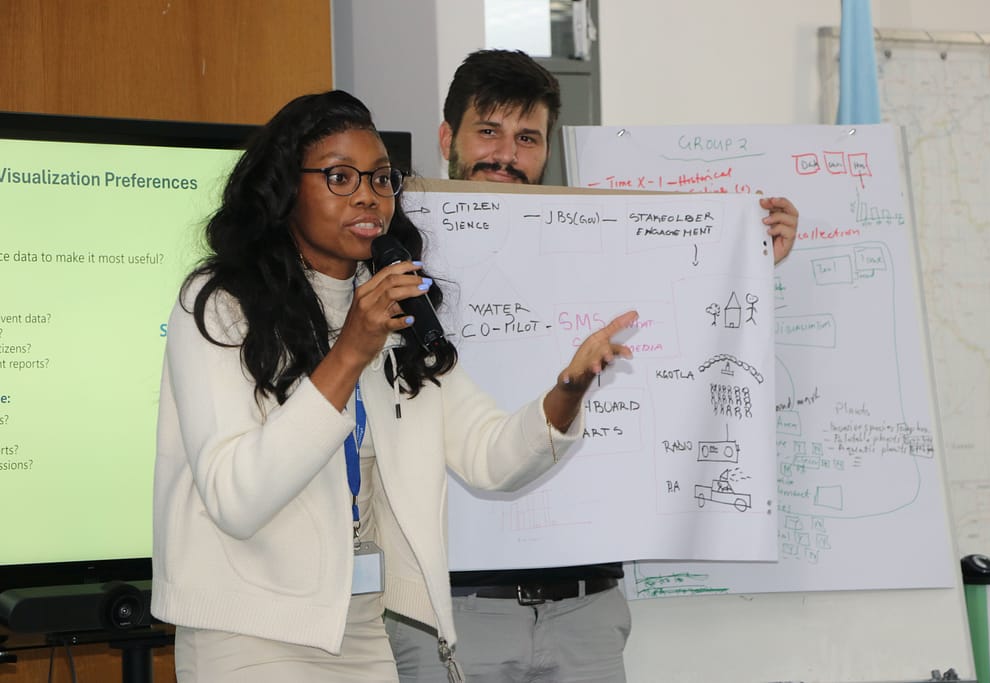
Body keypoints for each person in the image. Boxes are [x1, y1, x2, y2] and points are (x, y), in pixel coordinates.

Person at [150, 89, 638, 683]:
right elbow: (236, 496)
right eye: (340, 177)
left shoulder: (394, 306)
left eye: (382, 179)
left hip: (359, 625)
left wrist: (568, 388)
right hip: (249, 630)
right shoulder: (220, 304)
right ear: (284, 188)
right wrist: (351, 349)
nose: (367, 196)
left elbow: (490, 458)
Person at [384, 49, 800, 683]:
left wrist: (747, 261)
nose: (506, 154)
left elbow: (671, 327)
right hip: (451, 606)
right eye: (487, 131)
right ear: (448, 137)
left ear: (546, 149)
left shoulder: (593, 248)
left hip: (587, 607)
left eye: (526, 138)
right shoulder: (389, 245)